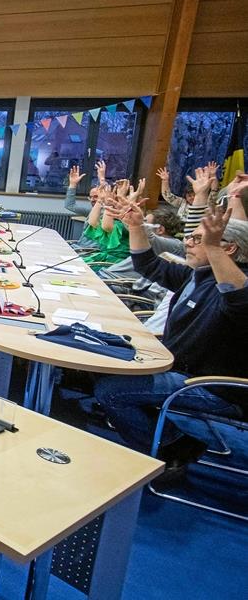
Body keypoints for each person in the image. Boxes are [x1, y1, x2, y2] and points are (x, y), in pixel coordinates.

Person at [95, 198, 248, 483]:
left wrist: (212, 249)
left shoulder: (237, 289)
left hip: (216, 388)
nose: (187, 243)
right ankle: (170, 437)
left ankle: (174, 448)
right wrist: (137, 226)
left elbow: (238, 299)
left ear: (228, 248)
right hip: (178, 368)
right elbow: (147, 264)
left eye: (198, 239)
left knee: (111, 391)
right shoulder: (198, 275)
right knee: (102, 359)